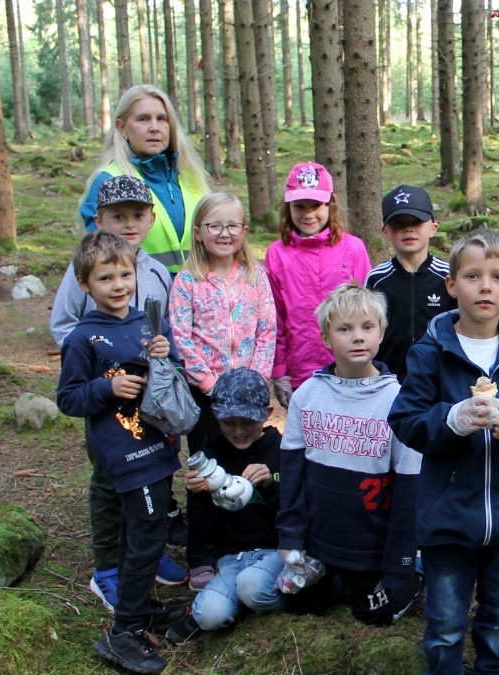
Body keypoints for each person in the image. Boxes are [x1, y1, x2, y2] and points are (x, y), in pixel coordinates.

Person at [389, 229, 499, 674]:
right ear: (451, 284)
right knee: (445, 622)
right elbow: (405, 421)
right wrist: (452, 420)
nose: (485, 286)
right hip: (447, 516)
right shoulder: (430, 353)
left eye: (497, 276)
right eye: (472, 275)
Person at [50, 175, 188, 612]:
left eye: (123, 275)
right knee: (110, 488)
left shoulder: (153, 271)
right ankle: (108, 569)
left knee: (152, 488)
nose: (118, 284)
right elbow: (69, 388)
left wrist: (163, 353)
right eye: (106, 278)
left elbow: (161, 339)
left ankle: (144, 553)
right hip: (111, 425)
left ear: (150, 220)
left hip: (154, 423)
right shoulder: (85, 287)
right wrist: (105, 380)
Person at [276, 282, 422, 625]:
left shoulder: (400, 402)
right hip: (318, 543)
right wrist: (291, 536)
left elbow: (408, 490)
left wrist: (399, 561)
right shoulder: (307, 396)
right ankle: (334, 581)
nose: (358, 337)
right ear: (326, 338)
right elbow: (292, 477)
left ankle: (415, 578)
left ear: (382, 333)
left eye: (367, 327)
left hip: (371, 548)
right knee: (298, 607)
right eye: (345, 329)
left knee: (375, 617)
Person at [166, 368, 285, 644]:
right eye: (229, 422)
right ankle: (238, 605)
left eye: (247, 421)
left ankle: (282, 603)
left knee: (251, 586)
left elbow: (295, 515)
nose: (239, 431)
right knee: (210, 615)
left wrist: (270, 486)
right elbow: (202, 522)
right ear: (216, 416)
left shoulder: (282, 451)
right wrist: (198, 495)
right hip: (232, 558)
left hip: (277, 552)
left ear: (266, 414)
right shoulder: (210, 455)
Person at [168, 193, 276, 472]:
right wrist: (209, 384)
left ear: (244, 230)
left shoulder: (255, 276)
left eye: (232, 226)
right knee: (209, 461)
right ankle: (208, 513)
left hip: (248, 392)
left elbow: (266, 332)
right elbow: (182, 338)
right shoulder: (187, 281)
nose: (224, 234)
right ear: (198, 233)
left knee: (247, 458)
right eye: (214, 226)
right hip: (206, 394)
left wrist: (257, 380)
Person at [265, 162, 373, 406]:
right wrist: (280, 370)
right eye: (299, 206)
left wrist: (369, 360)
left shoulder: (353, 248)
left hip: (350, 365)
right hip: (301, 369)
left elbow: (369, 312)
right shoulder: (277, 254)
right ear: (288, 208)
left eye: (316, 205)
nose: (308, 214)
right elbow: (276, 318)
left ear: (330, 204)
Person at [78, 84, 211, 274]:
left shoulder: (191, 178)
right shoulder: (108, 181)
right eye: (143, 119)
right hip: (140, 298)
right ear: (122, 128)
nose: (154, 128)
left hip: (195, 299)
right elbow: (99, 260)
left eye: (162, 119)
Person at [365, 184, 456, 382]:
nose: (408, 228)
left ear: (433, 228)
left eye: (416, 222)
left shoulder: (449, 276)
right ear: (386, 231)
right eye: (398, 223)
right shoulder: (376, 279)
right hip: (387, 382)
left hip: (440, 382)